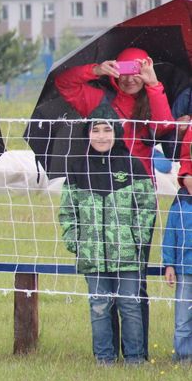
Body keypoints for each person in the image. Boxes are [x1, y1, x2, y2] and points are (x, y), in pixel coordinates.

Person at [55, 47, 172, 361]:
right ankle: (106, 357)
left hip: (136, 202)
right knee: (103, 288)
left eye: (139, 69)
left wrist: (154, 84)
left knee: (134, 286)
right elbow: (65, 85)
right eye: (125, 69)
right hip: (96, 194)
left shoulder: (150, 102)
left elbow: (165, 128)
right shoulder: (100, 103)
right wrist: (96, 70)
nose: (131, 77)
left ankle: (137, 355)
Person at [58, 115, 156, 365]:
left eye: (107, 130)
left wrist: (137, 239)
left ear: (117, 133)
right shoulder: (77, 168)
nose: (101, 136)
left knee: (130, 307)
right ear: (87, 135)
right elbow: (68, 210)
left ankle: (135, 359)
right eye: (96, 131)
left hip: (127, 255)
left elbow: (147, 207)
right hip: (92, 255)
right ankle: (104, 360)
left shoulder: (132, 165)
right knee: (99, 307)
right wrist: (76, 241)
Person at [160, 177, 192, 363]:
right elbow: (170, 235)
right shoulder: (178, 204)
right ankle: (183, 358)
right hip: (185, 270)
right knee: (183, 318)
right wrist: (169, 264)